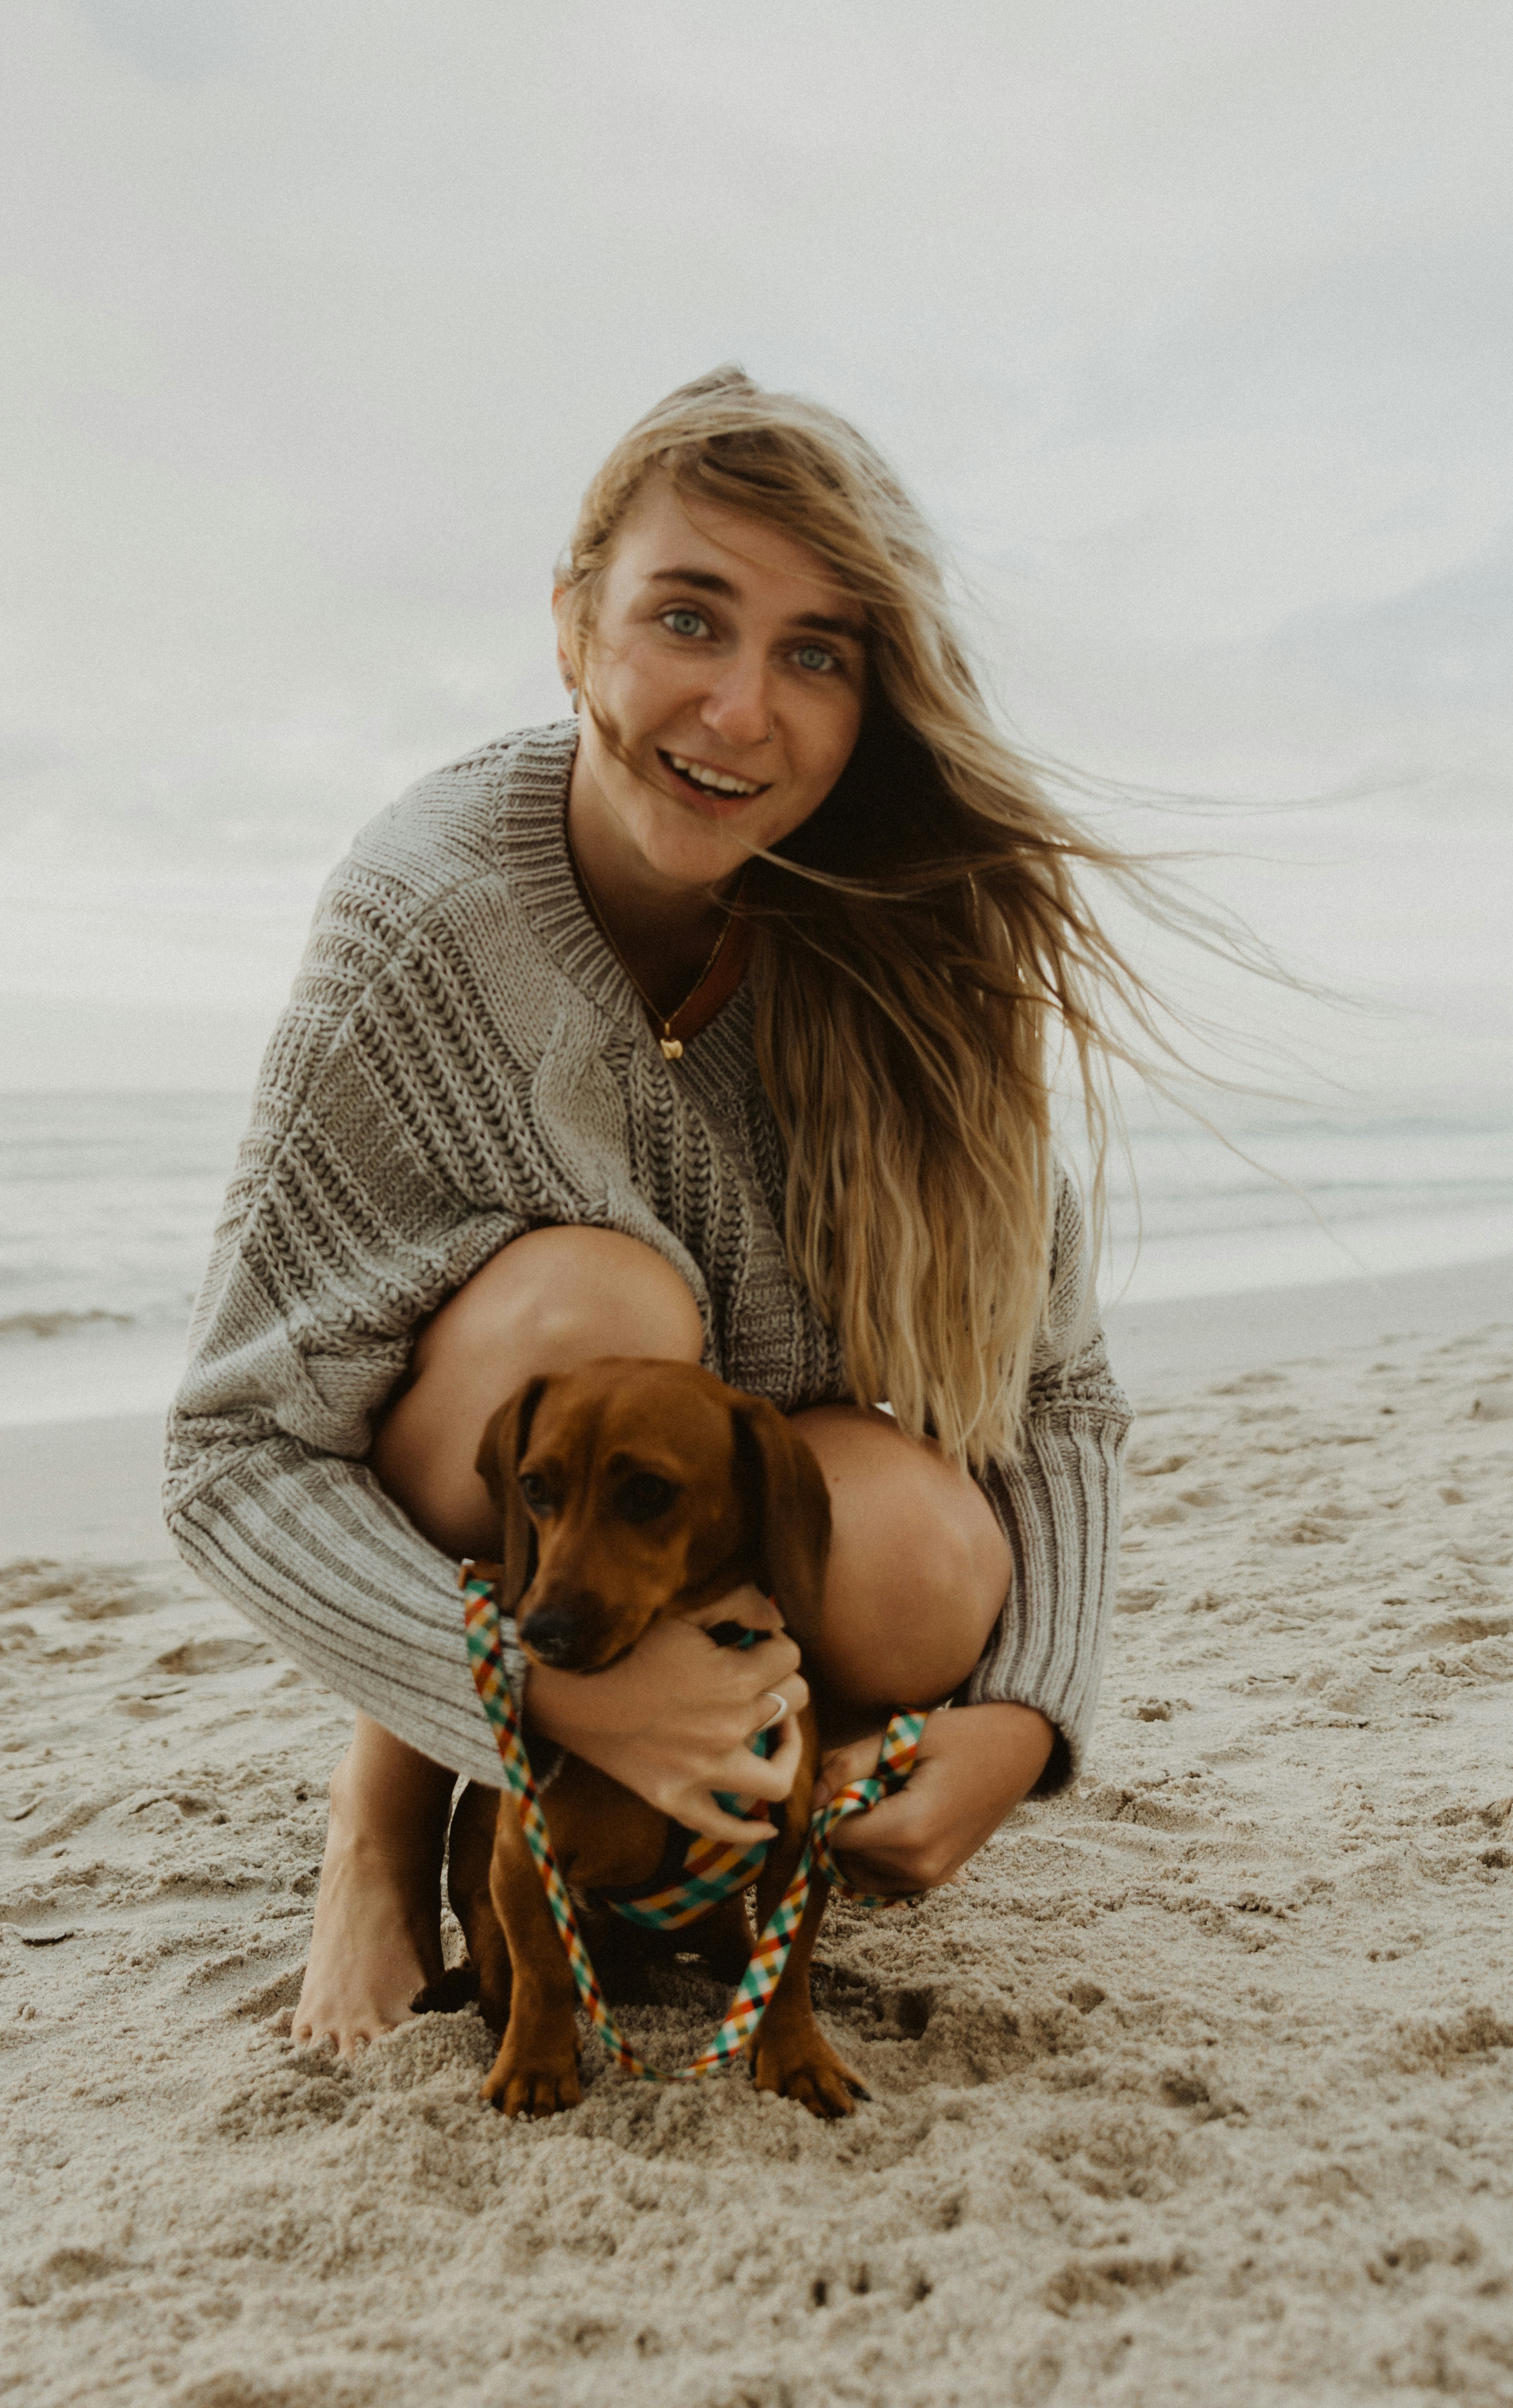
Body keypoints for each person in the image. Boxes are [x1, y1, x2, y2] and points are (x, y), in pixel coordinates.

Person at [164, 368, 1132, 2059]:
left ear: (869, 698)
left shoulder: (921, 945)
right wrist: (526, 1680)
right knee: (603, 1318)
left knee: (916, 1565)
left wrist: (1027, 1721)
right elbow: (233, 1445)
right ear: (570, 627)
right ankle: (384, 1821)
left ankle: (714, 1809)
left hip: (721, 1533)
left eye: (816, 653)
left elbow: (1056, 1394)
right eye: (689, 618)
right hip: (517, 1517)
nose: (743, 711)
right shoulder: (431, 924)